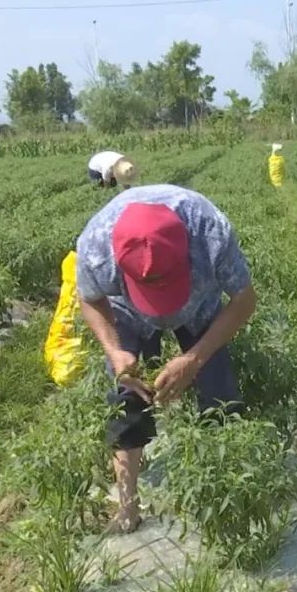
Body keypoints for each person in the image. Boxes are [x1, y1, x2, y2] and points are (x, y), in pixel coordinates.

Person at [75, 184, 258, 533]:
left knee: (219, 394)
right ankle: (128, 507)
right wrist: (115, 351)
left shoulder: (209, 232)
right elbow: (89, 299)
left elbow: (245, 300)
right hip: (129, 313)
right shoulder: (97, 246)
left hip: (200, 304)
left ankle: (222, 494)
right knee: (125, 398)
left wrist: (194, 359)